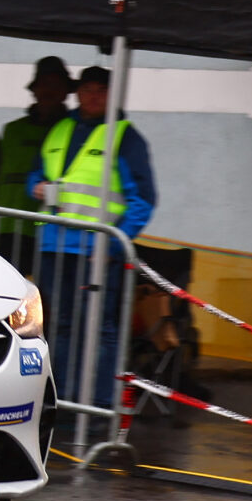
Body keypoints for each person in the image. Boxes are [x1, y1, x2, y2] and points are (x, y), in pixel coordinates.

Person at [26, 65, 157, 412]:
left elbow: (143, 200)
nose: (93, 96)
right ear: (78, 92)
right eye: (88, 89)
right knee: (62, 326)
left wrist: (114, 243)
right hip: (55, 247)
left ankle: (98, 405)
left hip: (96, 252)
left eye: (101, 90)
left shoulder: (125, 137)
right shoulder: (61, 129)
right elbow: (37, 174)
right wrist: (35, 186)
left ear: (112, 94)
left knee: (100, 329)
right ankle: (64, 401)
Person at [0, 56, 73, 272]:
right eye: (44, 84)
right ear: (34, 90)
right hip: (3, 229)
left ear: (65, 92)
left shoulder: (72, 132)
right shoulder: (12, 131)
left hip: (44, 230)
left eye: (55, 85)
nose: (49, 91)